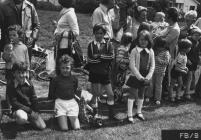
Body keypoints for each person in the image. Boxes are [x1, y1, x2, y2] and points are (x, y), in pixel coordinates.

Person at [87, 24, 115, 119]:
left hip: (105, 73)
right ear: (94, 33)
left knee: (110, 94)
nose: (99, 35)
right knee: (96, 94)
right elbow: (90, 60)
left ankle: (111, 114)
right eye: (97, 33)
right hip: (94, 73)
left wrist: (99, 56)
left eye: (101, 33)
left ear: (104, 34)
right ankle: (95, 113)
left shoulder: (108, 44)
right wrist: (103, 59)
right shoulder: (91, 45)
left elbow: (111, 57)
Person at [126, 30, 155, 123]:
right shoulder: (134, 50)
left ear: (149, 41)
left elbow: (152, 65)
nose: (143, 42)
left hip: (145, 77)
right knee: (132, 94)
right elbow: (132, 65)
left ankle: (139, 112)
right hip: (135, 76)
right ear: (138, 40)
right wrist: (139, 77)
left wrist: (148, 76)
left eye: (146, 40)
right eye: (141, 39)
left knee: (141, 94)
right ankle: (129, 114)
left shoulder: (151, 51)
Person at [7, 62, 46, 130]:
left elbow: (34, 98)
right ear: (14, 73)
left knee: (42, 126)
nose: (22, 75)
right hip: (18, 110)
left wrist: (36, 112)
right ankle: (20, 123)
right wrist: (30, 111)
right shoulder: (11, 85)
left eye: (23, 72)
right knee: (22, 117)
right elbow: (14, 103)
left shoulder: (29, 83)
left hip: (30, 110)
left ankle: (29, 120)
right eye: (19, 73)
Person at [48, 55, 80, 131]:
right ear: (59, 68)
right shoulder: (55, 80)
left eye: (67, 68)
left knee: (77, 128)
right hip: (60, 104)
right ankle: (60, 117)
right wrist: (54, 105)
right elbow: (51, 94)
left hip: (71, 103)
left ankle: (69, 117)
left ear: (71, 68)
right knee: (64, 128)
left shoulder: (74, 79)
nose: (65, 70)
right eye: (63, 68)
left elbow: (74, 90)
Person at [184, 27, 201, 100]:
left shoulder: (198, 42)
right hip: (188, 63)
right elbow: (183, 52)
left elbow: (197, 53)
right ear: (191, 35)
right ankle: (187, 93)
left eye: (199, 35)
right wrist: (187, 59)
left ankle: (187, 91)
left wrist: (198, 61)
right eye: (195, 35)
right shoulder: (188, 42)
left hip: (194, 63)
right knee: (189, 78)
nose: (197, 37)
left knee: (191, 78)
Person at [152, 37, 170, 105]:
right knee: (151, 84)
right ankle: (149, 96)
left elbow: (166, 62)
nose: (159, 49)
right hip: (153, 71)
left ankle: (157, 98)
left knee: (158, 85)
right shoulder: (155, 51)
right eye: (158, 47)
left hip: (160, 72)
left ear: (164, 46)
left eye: (160, 47)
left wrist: (158, 60)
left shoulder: (166, 52)